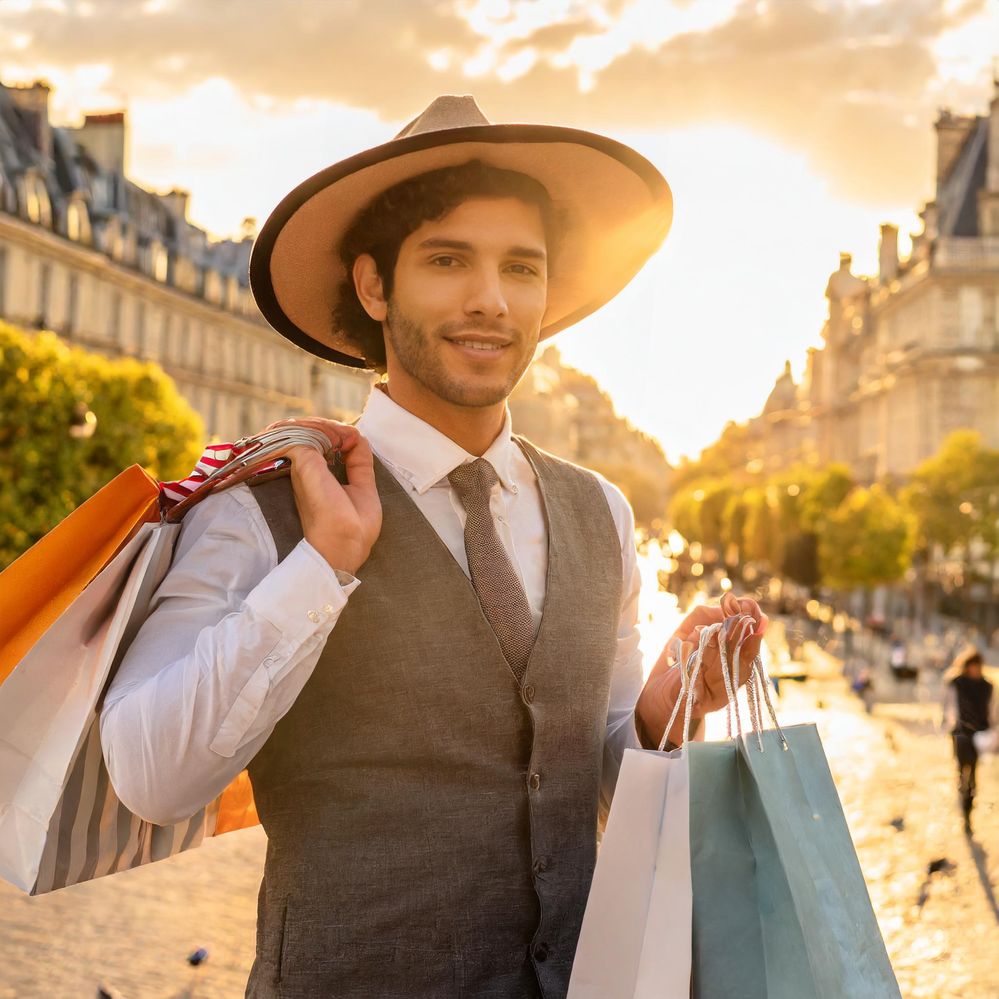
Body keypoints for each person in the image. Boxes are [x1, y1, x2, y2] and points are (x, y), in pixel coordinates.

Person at [100, 96, 766, 998]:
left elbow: (587, 779)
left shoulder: (600, 511)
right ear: (375, 286)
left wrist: (663, 706)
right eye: (448, 260)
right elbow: (148, 775)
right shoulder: (264, 510)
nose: (490, 298)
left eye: (520, 268)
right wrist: (320, 569)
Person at [944, 646, 995, 834]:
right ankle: (961, 786)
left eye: (977, 666)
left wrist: (992, 733)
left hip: (979, 735)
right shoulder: (957, 683)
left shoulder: (987, 686)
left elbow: (992, 711)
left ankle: (968, 811)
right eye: (972, 666)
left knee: (973, 774)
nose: (975, 669)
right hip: (960, 733)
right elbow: (949, 707)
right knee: (961, 767)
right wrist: (948, 726)